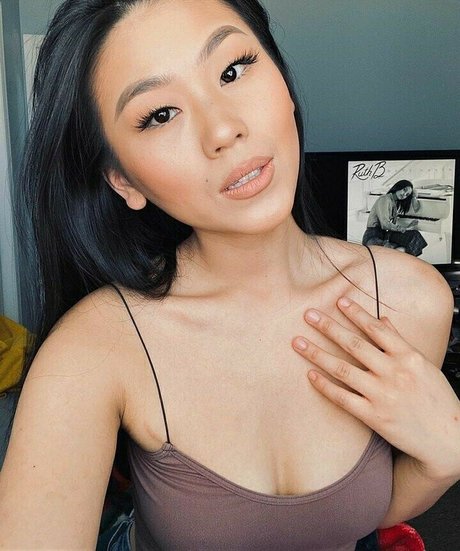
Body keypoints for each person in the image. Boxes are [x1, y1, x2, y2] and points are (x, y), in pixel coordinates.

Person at [0, 1, 459, 549]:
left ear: (283, 83)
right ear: (124, 180)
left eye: (233, 70)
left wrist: (443, 461)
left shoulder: (412, 301)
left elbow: (355, 517)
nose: (223, 129)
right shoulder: (93, 350)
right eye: (160, 114)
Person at [362, 180, 428, 256]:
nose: (404, 195)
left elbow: (416, 209)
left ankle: (404, 257)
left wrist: (413, 197)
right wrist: (404, 229)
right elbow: (385, 224)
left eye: (407, 195)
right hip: (373, 235)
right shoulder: (384, 199)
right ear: (398, 187)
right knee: (401, 249)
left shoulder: (394, 203)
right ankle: (402, 257)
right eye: (404, 190)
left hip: (385, 235)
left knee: (414, 235)